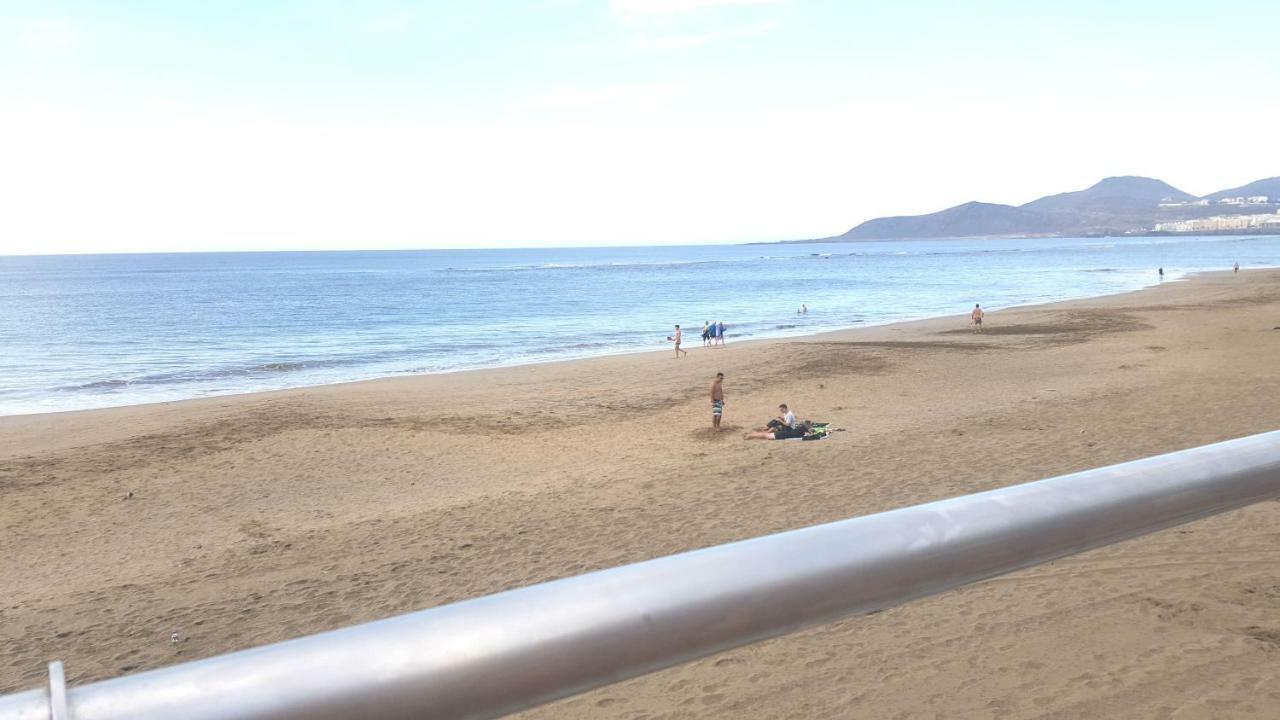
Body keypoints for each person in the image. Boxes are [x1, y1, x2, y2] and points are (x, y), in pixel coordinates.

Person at [745, 420, 812, 440]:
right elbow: (810, 434)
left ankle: (752, 435)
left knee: (766, 435)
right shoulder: (803, 429)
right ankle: (750, 435)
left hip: (785, 433)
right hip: (783, 435)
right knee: (766, 436)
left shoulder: (800, 428)